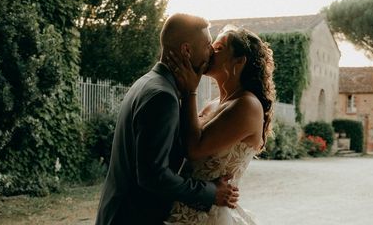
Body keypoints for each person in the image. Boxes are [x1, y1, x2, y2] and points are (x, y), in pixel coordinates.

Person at [94, 14, 240, 225]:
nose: (211, 52)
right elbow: (153, 175)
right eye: (208, 45)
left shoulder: (149, 83)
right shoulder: (163, 97)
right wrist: (210, 192)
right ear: (186, 50)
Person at [165, 27, 276, 224]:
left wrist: (190, 91)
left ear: (239, 61)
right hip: (186, 205)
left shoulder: (247, 105)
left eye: (218, 48)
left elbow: (194, 148)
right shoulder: (214, 105)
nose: (209, 51)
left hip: (208, 216)